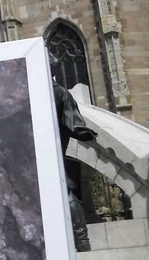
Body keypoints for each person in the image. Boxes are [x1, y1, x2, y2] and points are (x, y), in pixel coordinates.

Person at [49, 53, 97, 252]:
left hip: (48, 153)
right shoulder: (55, 92)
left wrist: (81, 131)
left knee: (67, 194)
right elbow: (74, 121)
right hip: (37, 154)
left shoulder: (58, 93)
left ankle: (81, 240)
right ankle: (79, 240)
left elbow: (73, 121)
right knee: (66, 194)